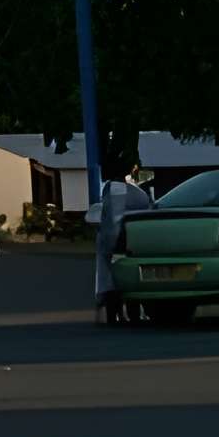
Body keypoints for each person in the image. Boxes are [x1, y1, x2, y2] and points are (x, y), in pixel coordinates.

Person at [91, 132, 156, 325]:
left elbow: (112, 219)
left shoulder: (113, 190)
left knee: (112, 279)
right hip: (134, 240)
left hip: (117, 241)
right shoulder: (138, 192)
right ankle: (132, 312)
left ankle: (118, 312)